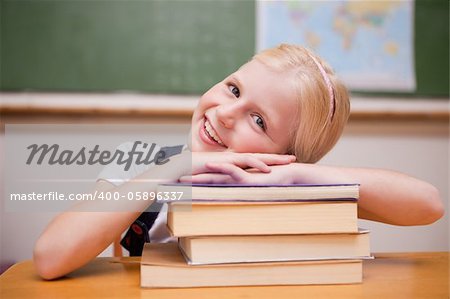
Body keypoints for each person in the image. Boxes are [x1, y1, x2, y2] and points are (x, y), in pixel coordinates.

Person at [33, 44, 444, 280]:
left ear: (285, 153)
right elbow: (51, 258)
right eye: (233, 89)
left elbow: (428, 204)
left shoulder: (288, 185)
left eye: (259, 119)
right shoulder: (139, 162)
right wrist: (167, 172)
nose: (227, 113)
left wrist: (298, 173)